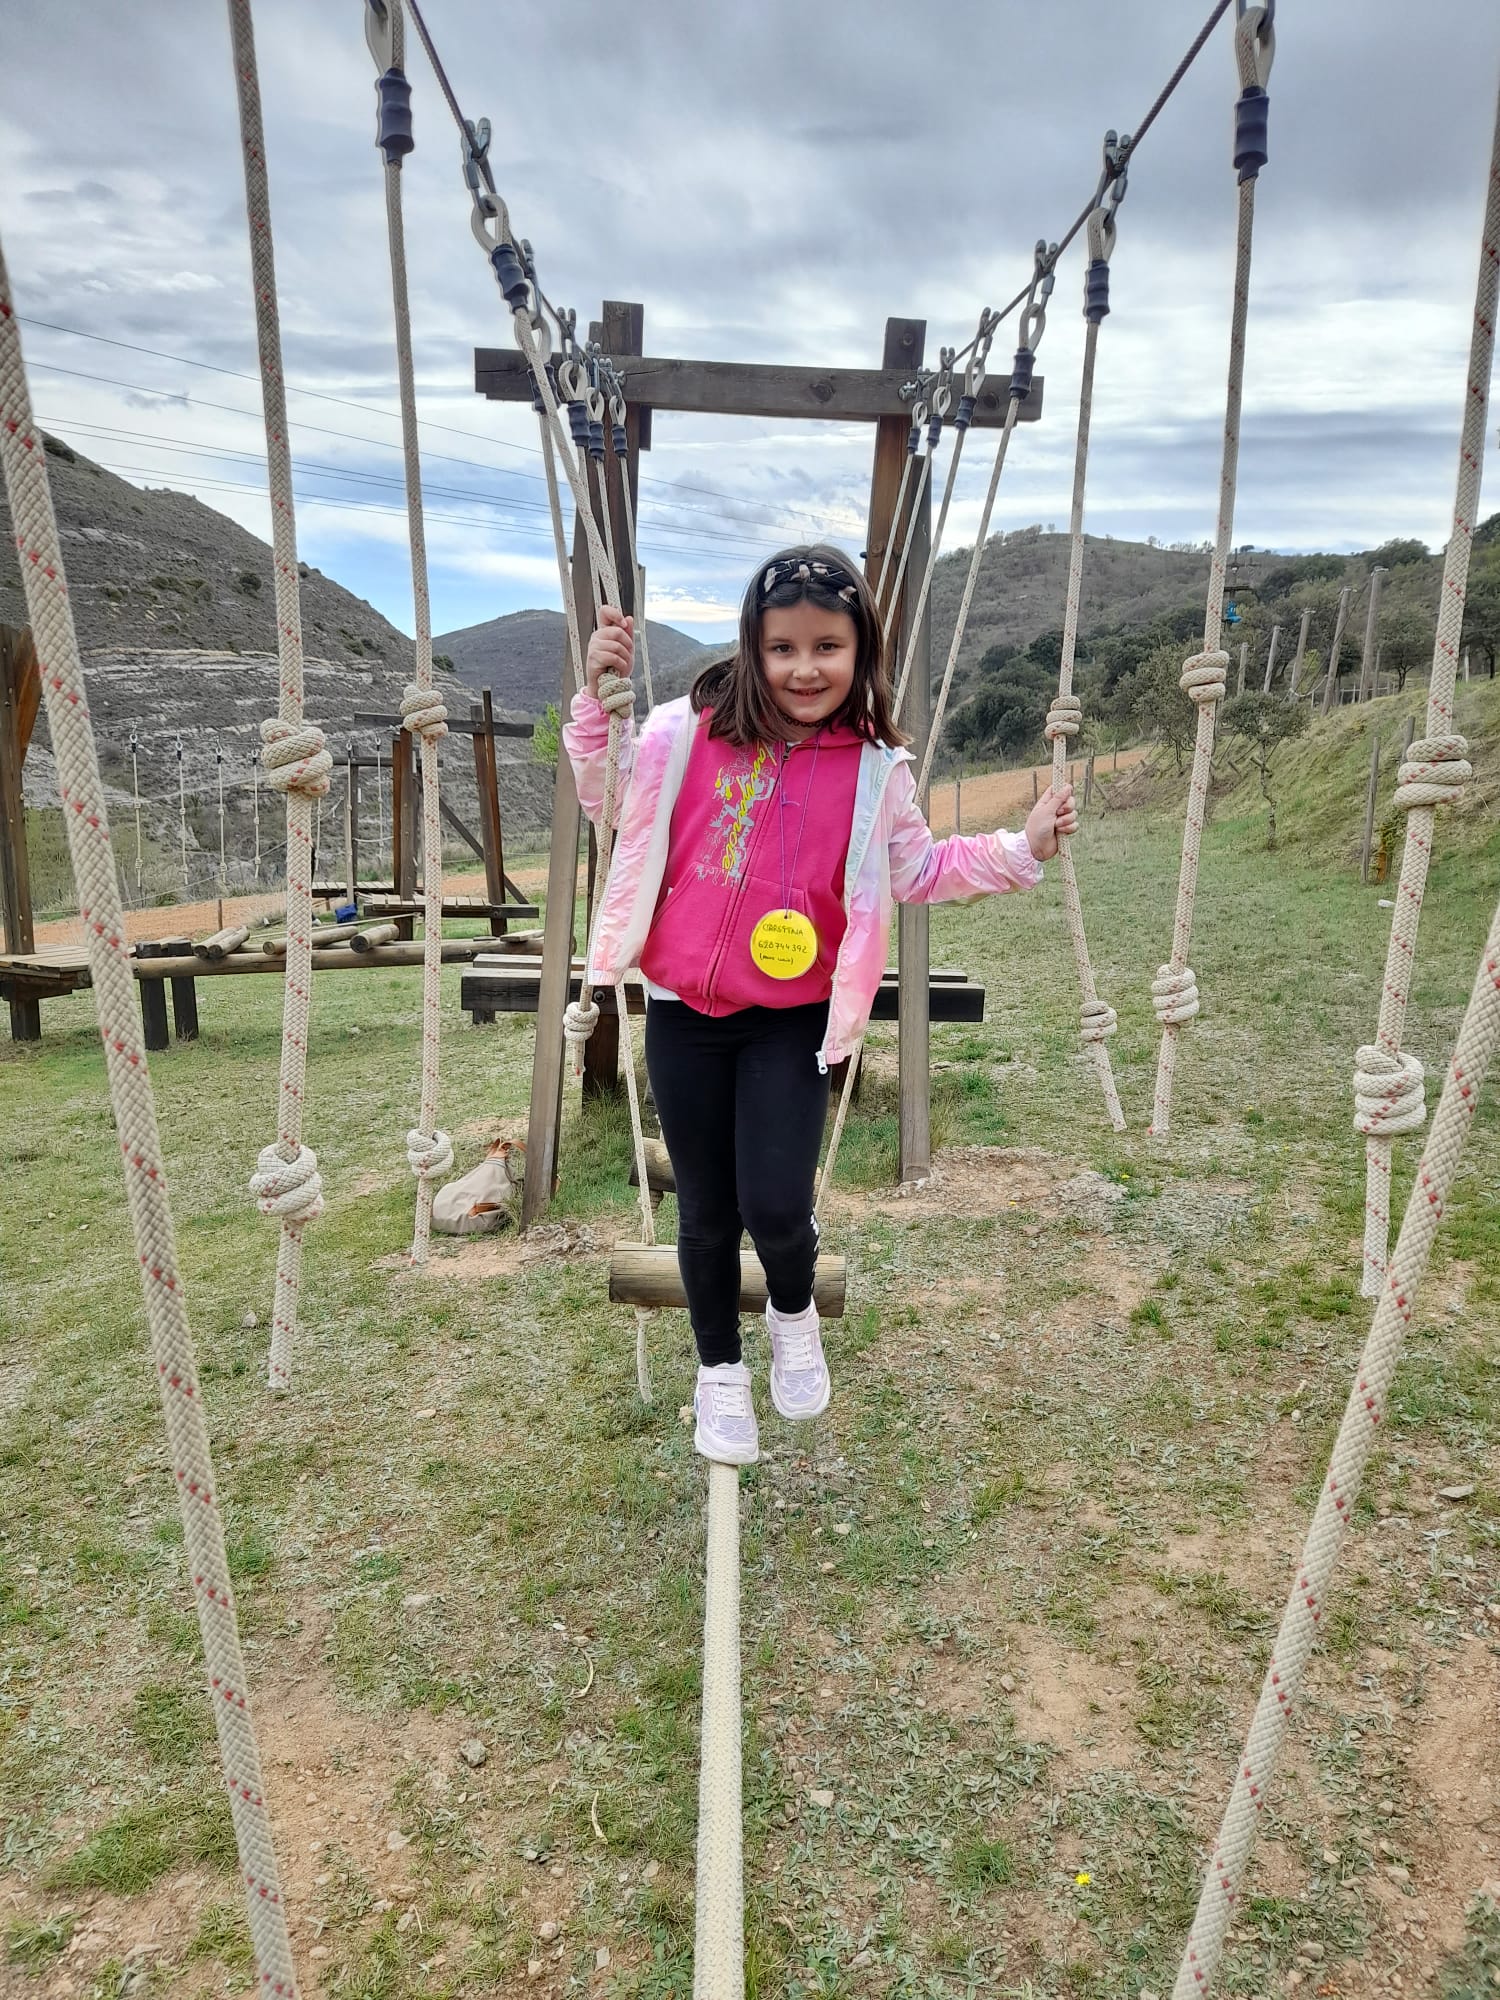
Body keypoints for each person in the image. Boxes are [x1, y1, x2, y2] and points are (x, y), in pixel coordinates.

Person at [564, 545, 1075, 1466]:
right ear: (752, 649)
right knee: (705, 1210)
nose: (805, 669)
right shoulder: (686, 734)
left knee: (775, 1203)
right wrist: (599, 706)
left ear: (860, 649)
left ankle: (792, 1313)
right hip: (683, 1010)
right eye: (783, 648)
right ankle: (719, 1369)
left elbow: (920, 869)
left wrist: (1020, 848)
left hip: (791, 1016)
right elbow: (609, 797)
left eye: (827, 647)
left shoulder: (874, 768)